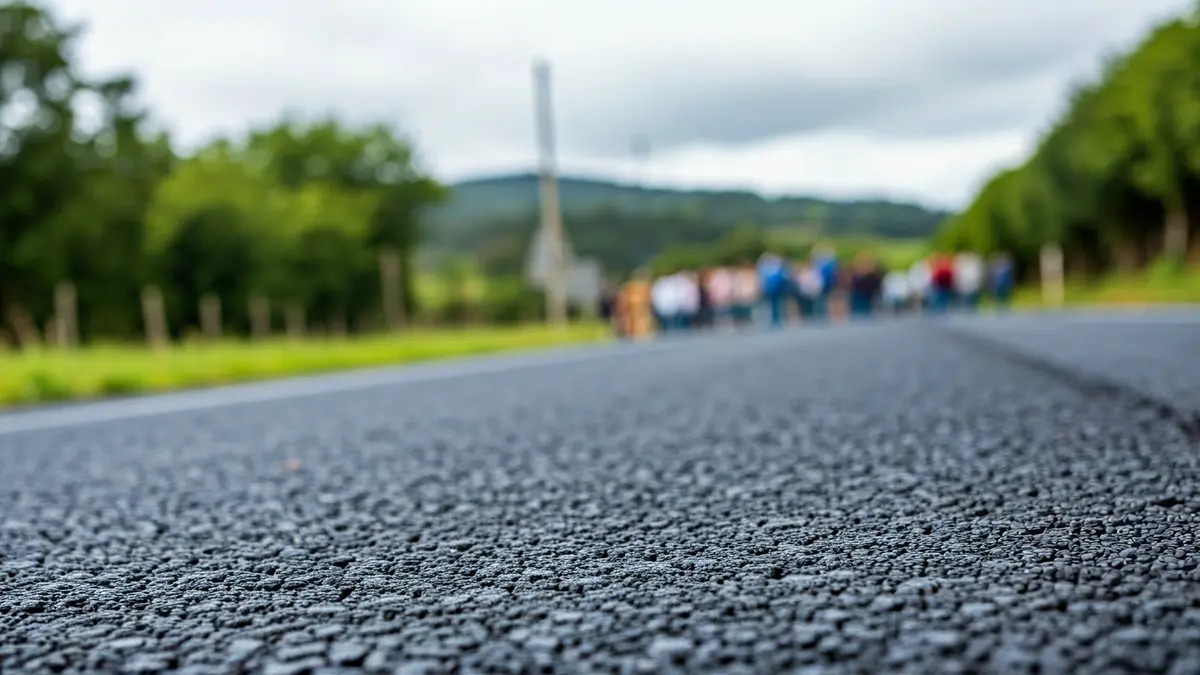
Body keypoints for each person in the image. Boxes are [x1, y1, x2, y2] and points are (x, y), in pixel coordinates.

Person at [757, 253, 790, 328]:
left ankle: (775, 320)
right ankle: (774, 320)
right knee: (773, 306)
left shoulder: (771, 270)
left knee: (775, 306)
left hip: (775, 290)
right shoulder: (773, 269)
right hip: (773, 290)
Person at [848, 252, 882, 318]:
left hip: (868, 297)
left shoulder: (873, 275)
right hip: (858, 297)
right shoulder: (856, 274)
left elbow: (876, 284)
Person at [730, 262, 759, 328]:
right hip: (742, 294)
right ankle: (742, 321)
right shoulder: (741, 274)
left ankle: (745, 321)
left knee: (746, 309)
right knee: (742, 309)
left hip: (746, 294)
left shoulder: (751, 274)